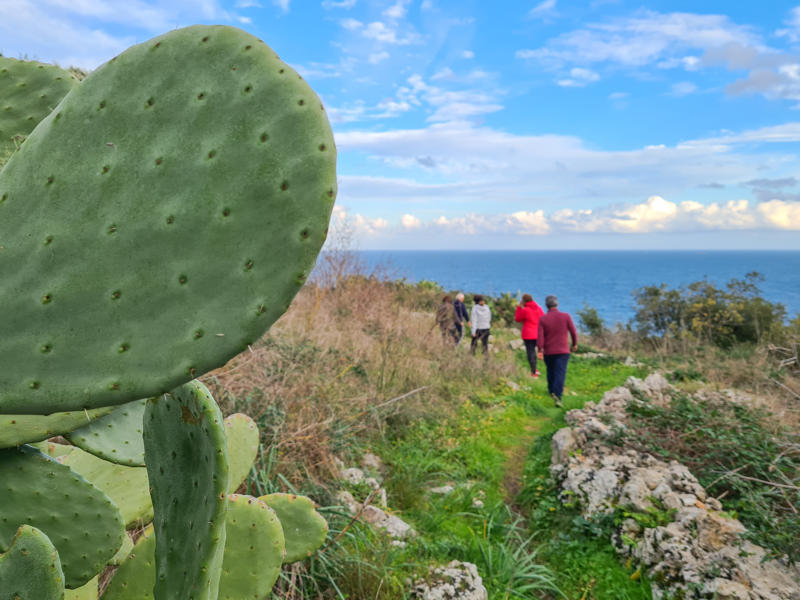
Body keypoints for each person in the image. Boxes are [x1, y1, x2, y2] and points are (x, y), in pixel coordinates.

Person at [537, 295, 577, 407]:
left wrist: (540, 349)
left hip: (549, 351)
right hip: (563, 350)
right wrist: (574, 344)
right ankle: (558, 396)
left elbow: (540, 336)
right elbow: (573, 332)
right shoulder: (566, 316)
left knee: (550, 371)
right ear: (557, 304)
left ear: (546, 306)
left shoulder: (543, 319)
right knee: (560, 372)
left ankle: (551, 391)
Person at [514, 293, 544, 378]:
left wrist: (519, 307)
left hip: (528, 334)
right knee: (536, 351)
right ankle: (536, 369)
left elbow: (518, 318)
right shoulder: (539, 308)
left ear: (524, 301)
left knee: (530, 352)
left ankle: (533, 371)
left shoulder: (525, 310)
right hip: (538, 333)